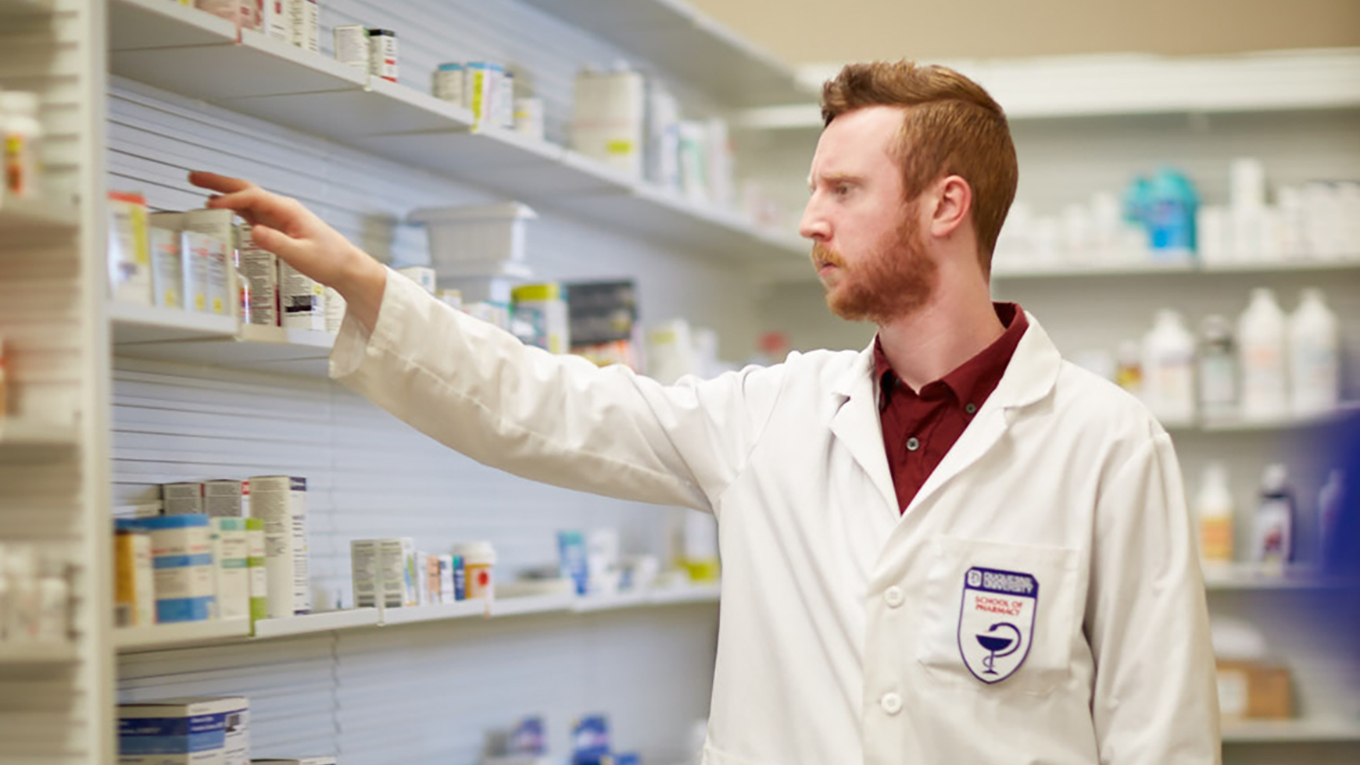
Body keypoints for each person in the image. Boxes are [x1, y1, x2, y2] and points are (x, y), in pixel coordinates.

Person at [191, 60, 1219, 765]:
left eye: (845, 190)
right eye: (812, 189)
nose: (811, 220)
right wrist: (366, 284)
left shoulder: (1104, 446)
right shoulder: (767, 417)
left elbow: (1161, 732)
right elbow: (543, 407)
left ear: (944, 207)